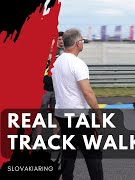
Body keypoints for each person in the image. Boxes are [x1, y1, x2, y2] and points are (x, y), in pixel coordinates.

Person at [51, 28, 103, 180]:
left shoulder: (57, 62)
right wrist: (98, 114)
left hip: (61, 115)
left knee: (68, 154)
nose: (83, 43)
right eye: (82, 41)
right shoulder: (78, 64)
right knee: (93, 154)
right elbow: (87, 92)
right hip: (78, 116)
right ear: (78, 43)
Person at [36, 31, 64, 138]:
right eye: (59, 39)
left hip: (57, 90)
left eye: (62, 40)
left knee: (55, 115)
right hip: (44, 89)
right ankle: (38, 138)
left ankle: (55, 138)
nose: (61, 42)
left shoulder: (65, 54)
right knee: (41, 115)